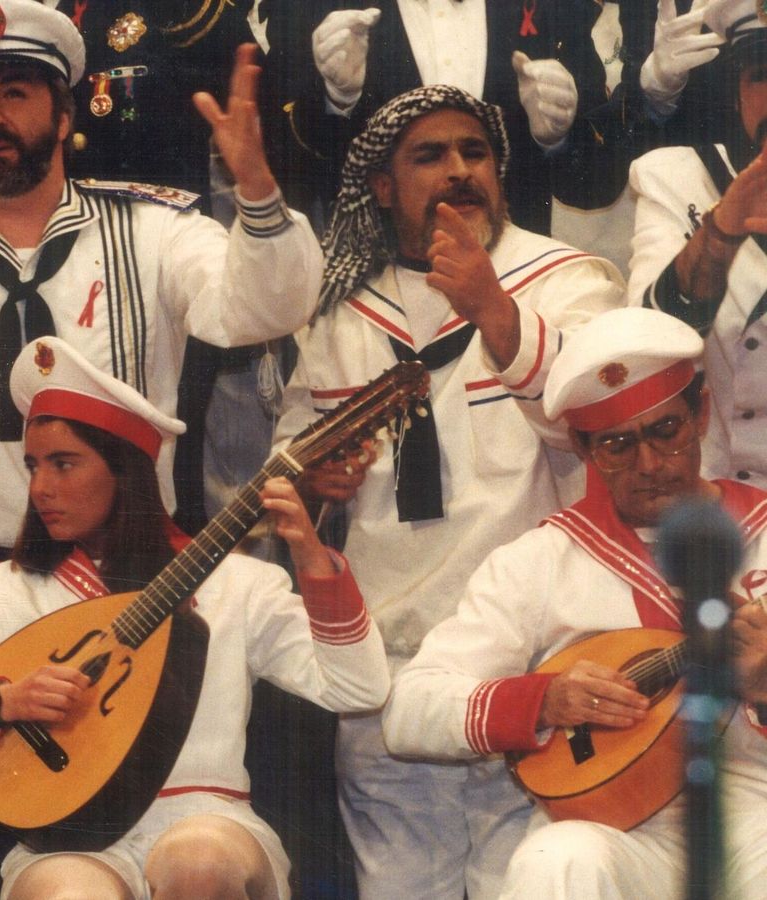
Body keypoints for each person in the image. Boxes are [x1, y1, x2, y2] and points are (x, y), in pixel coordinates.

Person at [0, 0, 324, 637]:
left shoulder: (154, 229)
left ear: (65, 112)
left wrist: (260, 193)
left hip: (130, 576)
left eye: (15, 94)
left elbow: (262, 309)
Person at [0, 336, 391, 900]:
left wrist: (314, 562)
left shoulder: (238, 585)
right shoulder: (5, 593)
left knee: (198, 866)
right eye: (34, 466)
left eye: (64, 464)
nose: (40, 487)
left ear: (126, 471)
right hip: (71, 838)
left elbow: (359, 687)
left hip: (206, 817)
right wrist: (1, 699)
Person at [271, 85, 625, 899]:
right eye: (429, 156)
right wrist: (316, 481)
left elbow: (596, 428)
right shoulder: (340, 312)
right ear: (384, 187)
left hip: (539, 655)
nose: (459, 170)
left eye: (475, 152)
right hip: (385, 665)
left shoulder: (568, 278)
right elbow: (285, 463)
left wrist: (490, 307)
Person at [381, 307, 767, 898]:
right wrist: (543, 700)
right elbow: (408, 710)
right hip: (612, 822)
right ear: (585, 453)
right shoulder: (539, 562)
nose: (647, 464)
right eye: (616, 445)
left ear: (702, 414)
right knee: (554, 862)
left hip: (753, 804)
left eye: (665, 430)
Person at [265, 0, 619, 231]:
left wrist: (558, 139)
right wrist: (337, 99)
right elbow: (283, 167)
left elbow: (599, 184)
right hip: (373, 286)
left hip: (512, 280)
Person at [628, 0, 767, 489]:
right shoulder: (676, 177)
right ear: (737, 97)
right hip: (708, 511)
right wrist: (722, 231)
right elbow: (644, 352)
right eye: (760, 75)